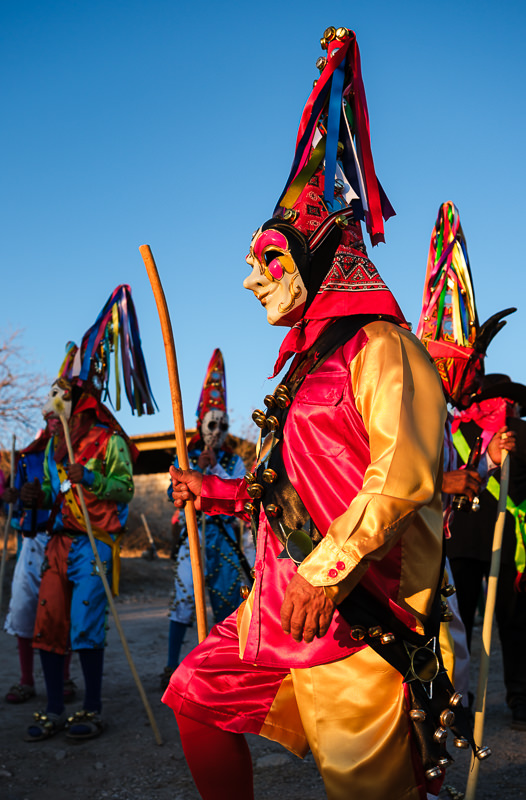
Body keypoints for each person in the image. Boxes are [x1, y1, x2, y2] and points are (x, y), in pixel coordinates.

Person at [161, 28, 478, 800]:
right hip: (275, 609)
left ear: (323, 257)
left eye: (267, 259)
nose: (248, 279)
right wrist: (218, 494)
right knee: (197, 697)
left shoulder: (383, 347)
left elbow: (401, 478)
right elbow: (293, 483)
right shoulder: (299, 374)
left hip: (352, 616)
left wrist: (328, 571)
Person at [18, 284, 156, 742]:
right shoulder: (52, 449)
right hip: (55, 542)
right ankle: (56, 707)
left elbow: (124, 490)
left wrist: (90, 478)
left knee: (85, 621)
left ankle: (91, 708)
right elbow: (48, 491)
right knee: (47, 621)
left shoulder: (105, 441)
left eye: (58, 401)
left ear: (76, 401)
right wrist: (37, 500)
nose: (50, 412)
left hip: (94, 543)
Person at [415, 201, 517, 699]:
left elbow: (456, 474)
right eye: (469, 364)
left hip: (437, 553)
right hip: (400, 558)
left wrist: (490, 459)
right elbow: (373, 479)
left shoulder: (442, 414)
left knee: (453, 651)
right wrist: (441, 485)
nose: (474, 376)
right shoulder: (406, 403)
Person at [161, 349, 251, 689]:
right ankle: (172, 666)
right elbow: (175, 494)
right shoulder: (184, 456)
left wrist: (214, 469)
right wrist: (198, 468)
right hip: (194, 539)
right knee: (184, 598)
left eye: (224, 425)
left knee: (228, 602)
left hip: (224, 539)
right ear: (201, 424)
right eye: (213, 424)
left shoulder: (234, 463)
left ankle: (225, 668)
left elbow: (241, 493)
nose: (219, 431)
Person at [447, 374, 526, 731]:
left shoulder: (520, 435)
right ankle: (458, 701)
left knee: (514, 623)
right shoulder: (457, 431)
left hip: (508, 542)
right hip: (462, 540)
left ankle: (520, 699)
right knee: (457, 623)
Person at [3, 427, 77, 705]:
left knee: (60, 610)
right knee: (24, 608)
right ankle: (26, 680)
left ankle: (64, 676)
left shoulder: (77, 453)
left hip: (65, 539)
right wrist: (10, 502)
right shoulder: (27, 457)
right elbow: (15, 508)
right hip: (31, 542)